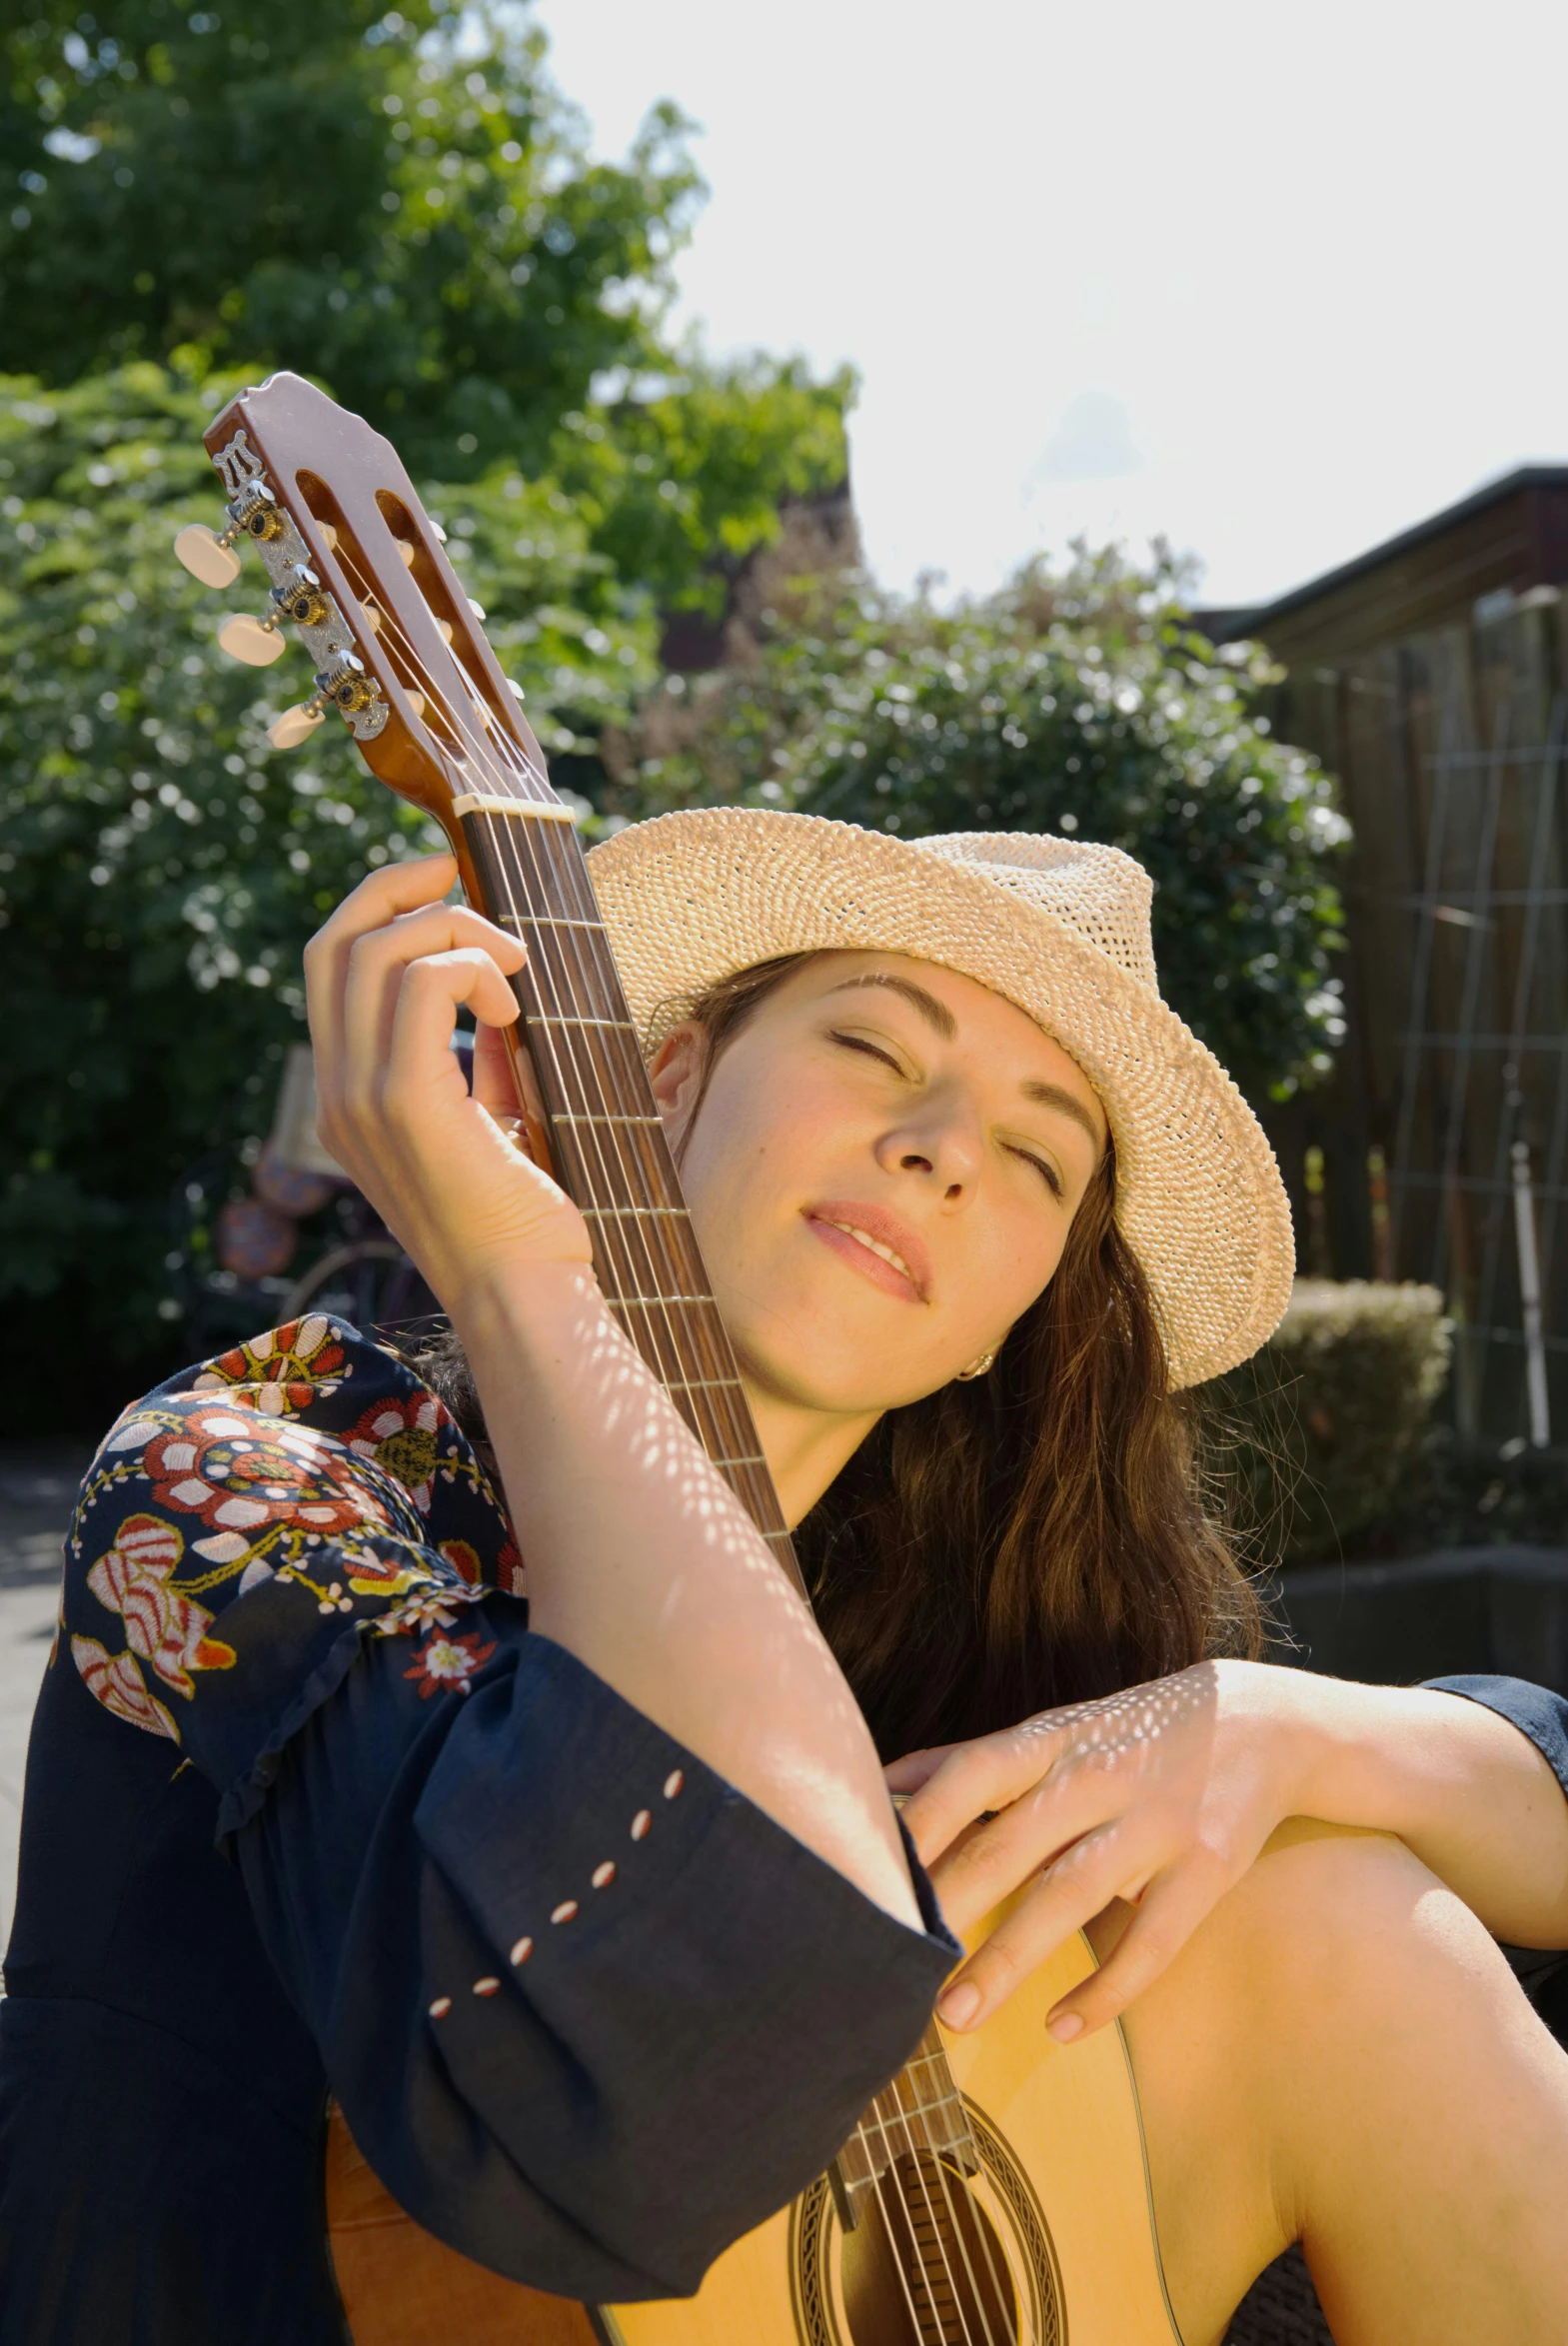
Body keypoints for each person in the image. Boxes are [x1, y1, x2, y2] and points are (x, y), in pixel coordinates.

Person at [2, 810, 1566, 2346]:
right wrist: (512, 1271)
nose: (944, 1147)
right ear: (661, 1081)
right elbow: (620, 2106)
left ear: (1003, 1325)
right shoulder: (256, 1473)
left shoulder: (979, 1622)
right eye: (879, 1050)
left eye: (1034, 1152)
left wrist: (1274, 1728)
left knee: (1349, 1908)